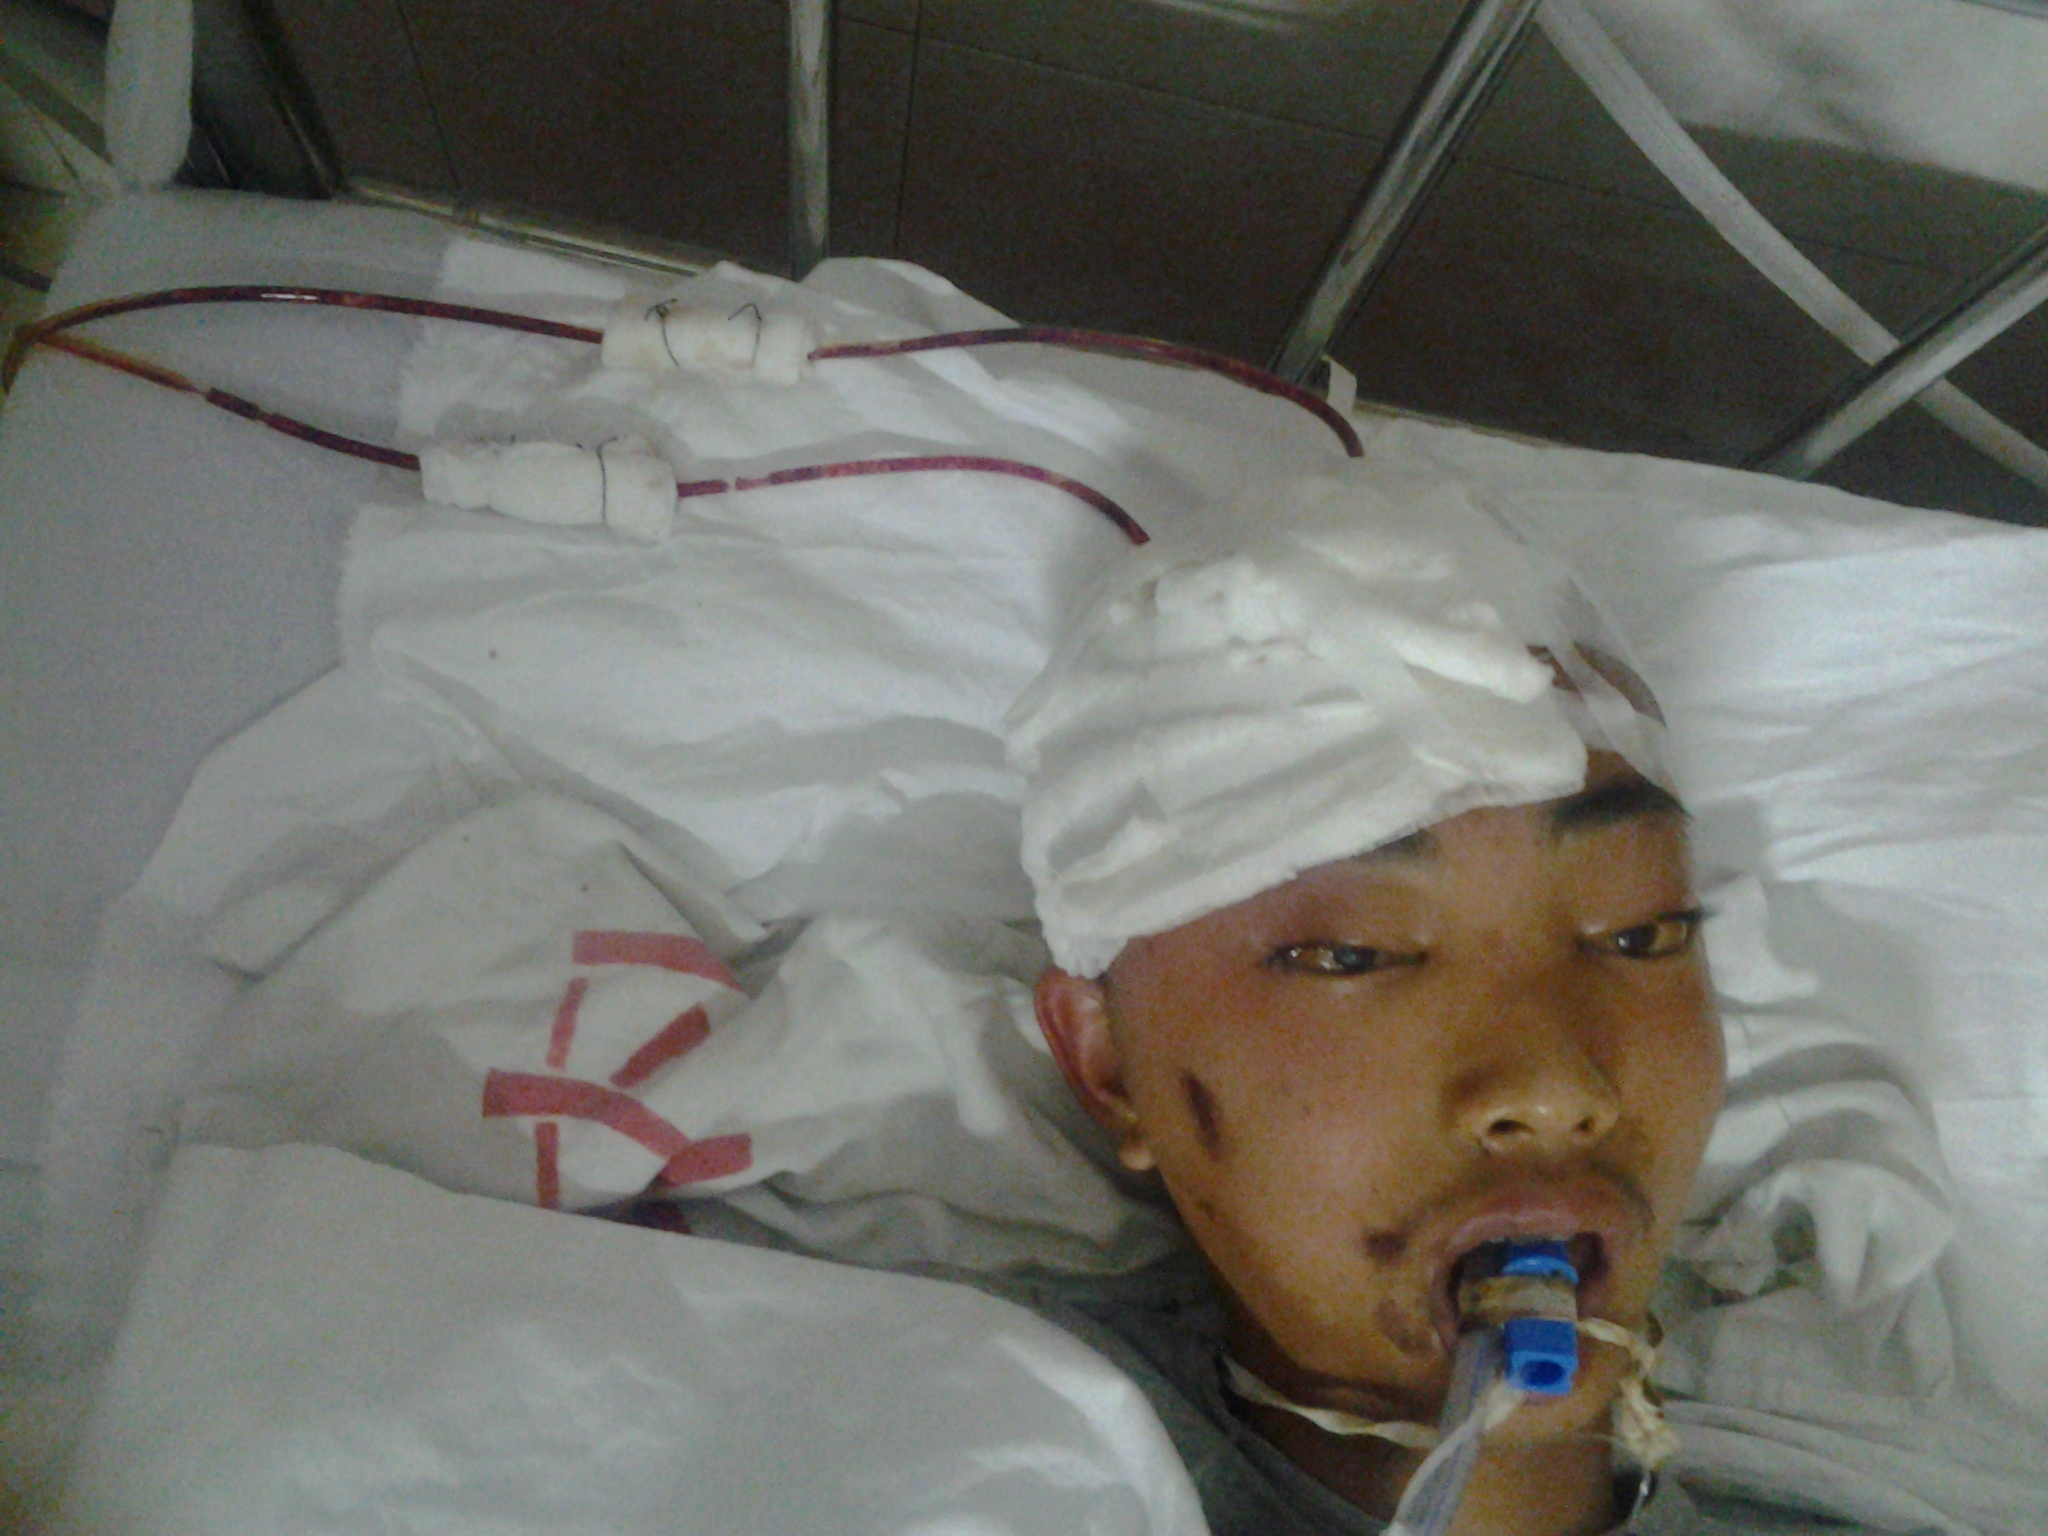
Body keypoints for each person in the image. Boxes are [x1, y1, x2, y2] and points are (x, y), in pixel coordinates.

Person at [977, 470, 1861, 1534]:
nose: (1554, 1091)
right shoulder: (963, 1466)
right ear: (1108, 1062)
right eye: (1355, 954)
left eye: (1641, 932)